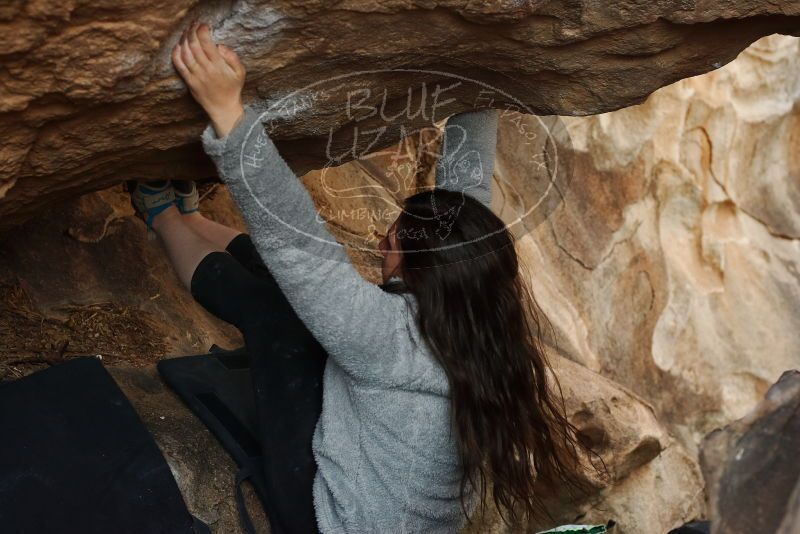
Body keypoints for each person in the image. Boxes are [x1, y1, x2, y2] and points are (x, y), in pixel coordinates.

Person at [129, 20, 594, 534]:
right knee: (307, 300)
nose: (380, 243)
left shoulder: (391, 341)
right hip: (390, 503)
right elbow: (465, 196)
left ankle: (162, 215)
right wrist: (479, 81)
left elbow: (301, 249)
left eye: (391, 241)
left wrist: (229, 116)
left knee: (278, 312)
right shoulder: (480, 310)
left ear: (423, 269)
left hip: (327, 519)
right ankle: (192, 218)